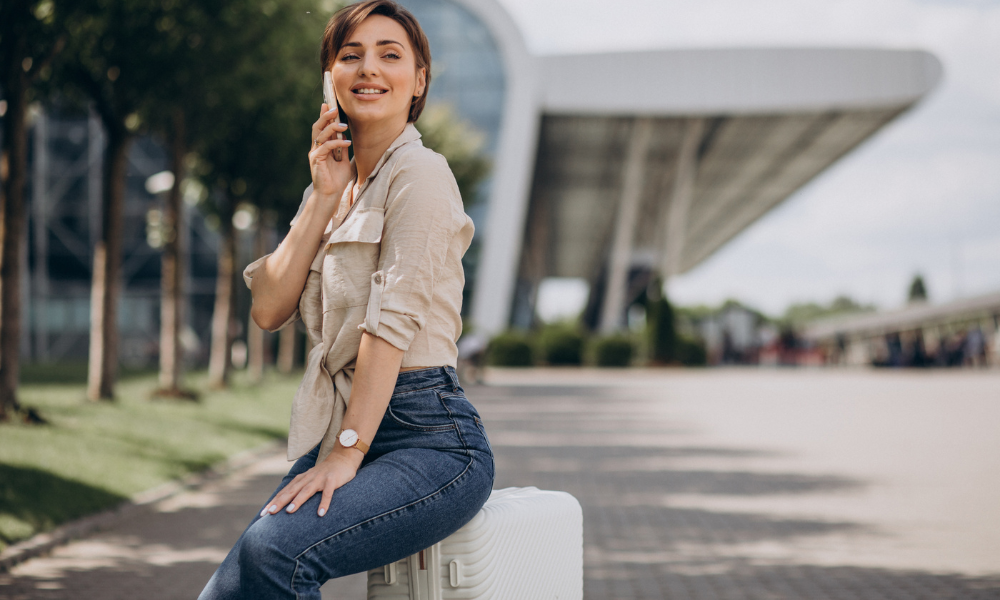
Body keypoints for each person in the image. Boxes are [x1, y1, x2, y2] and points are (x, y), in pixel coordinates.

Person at [199, 2, 494, 597]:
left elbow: (389, 328)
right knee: (232, 589)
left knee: (275, 552)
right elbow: (268, 308)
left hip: (429, 438)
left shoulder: (422, 174)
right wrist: (322, 192)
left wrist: (345, 453)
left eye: (391, 55)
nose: (369, 68)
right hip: (352, 423)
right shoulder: (339, 185)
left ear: (419, 82)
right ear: (329, 79)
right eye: (350, 55)